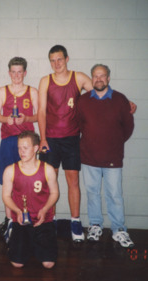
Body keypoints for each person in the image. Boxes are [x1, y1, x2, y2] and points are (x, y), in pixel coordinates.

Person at [38, 45, 137, 243]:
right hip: (50, 138)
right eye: (52, 60)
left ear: (67, 58)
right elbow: (41, 111)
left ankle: (75, 222)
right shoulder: (45, 80)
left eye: (59, 59)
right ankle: (50, 220)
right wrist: (42, 138)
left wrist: (126, 103)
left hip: (72, 138)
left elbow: (101, 94)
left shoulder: (80, 77)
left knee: (73, 181)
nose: (56, 63)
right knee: (50, 181)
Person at [77, 64, 135, 248]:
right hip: (89, 158)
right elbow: (78, 126)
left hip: (113, 159)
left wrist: (114, 143)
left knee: (115, 195)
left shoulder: (120, 100)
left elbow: (128, 128)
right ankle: (95, 226)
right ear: (92, 78)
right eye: (95, 76)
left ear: (108, 78)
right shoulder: (83, 100)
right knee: (92, 194)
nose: (99, 79)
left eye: (102, 76)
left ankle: (119, 230)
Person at [0, 57, 38, 242]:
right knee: (7, 182)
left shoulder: (32, 91)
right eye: (13, 71)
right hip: (9, 141)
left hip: (27, 142)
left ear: (25, 73)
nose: (17, 75)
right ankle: (9, 220)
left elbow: (39, 116)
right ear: (9, 72)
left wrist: (26, 119)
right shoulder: (2, 91)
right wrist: (7, 120)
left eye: (20, 71)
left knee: (27, 181)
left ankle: (27, 217)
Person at [2, 130, 59, 268]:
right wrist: (17, 211)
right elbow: (6, 196)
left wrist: (45, 210)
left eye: (25, 148)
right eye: (19, 148)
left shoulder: (48, 169)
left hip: (43, 219)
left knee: (49, 264)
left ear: (35, 148)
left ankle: (36, 242)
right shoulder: (10, 170)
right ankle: (15, 236)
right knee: (17, 264)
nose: (21, 151)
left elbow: (54, 193)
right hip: (21, 220)